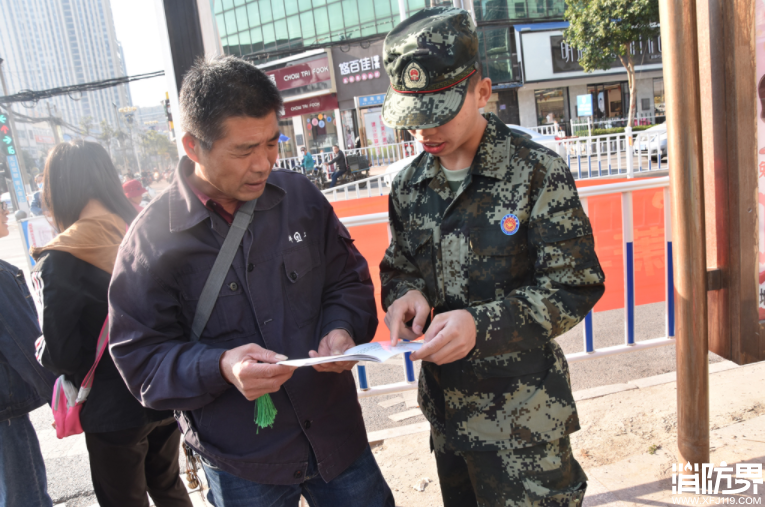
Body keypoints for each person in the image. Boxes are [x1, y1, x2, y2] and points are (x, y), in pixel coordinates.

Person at [108, 56, 394, 507]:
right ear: (192, 145)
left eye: (272, 143)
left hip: (338, 438)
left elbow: (348, 282)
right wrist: (220, 366)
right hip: (242, 462)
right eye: (244, 150)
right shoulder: (151, 240)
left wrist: (341, 330)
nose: (263, 164)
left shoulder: (299, 198)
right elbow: (139, 359)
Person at [379, 8, 606, 507]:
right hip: (447, 418)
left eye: (439, 112)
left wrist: (481, 326)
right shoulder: (409, 186)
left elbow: (574, 283)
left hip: (524, 423)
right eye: (412, 118)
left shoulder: (535, 172)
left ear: (481, 92)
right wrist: (403, 295)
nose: (424, 132)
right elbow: (399, 266)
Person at [31, 140, 193, 507]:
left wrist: (44, 350)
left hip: (111, 408)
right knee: (168, 486)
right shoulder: (147, 231)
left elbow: (65, 354)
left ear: (59, 188)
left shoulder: (62, 257)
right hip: (164, 389)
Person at [0, 200, 57, 507]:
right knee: (25, 496)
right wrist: (59, 400)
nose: (7, 212)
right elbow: (24, 346)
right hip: (4, 413)